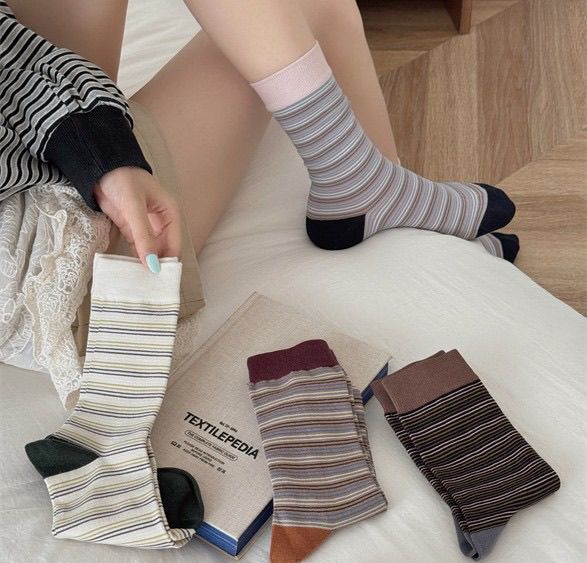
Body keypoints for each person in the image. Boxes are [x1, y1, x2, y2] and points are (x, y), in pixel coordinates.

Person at [0, 0, 517, 403]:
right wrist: (103, 155)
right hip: (40, 273)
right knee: (316, 4)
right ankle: (380, 204)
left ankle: (374, 189)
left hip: (32, 146)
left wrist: (95, 146)